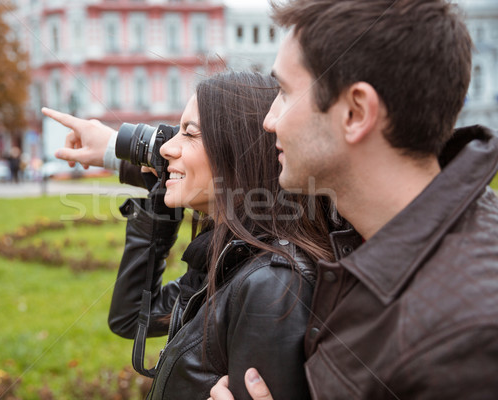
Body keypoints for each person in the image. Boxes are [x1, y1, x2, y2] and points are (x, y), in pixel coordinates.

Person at [209, 0, 498, 399]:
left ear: (355, 112)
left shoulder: (466, 337)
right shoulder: (365, 236)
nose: (268, 120)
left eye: (284, 91)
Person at [43, 70, 336, 399]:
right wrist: (130, 162)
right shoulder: (229, 257)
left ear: (239, 152)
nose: (167, 148)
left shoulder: (272, 286)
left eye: (189, 133)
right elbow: (131, 318)